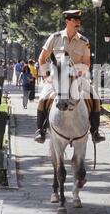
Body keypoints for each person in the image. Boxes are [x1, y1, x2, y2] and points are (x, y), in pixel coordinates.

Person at [34, 9, 105, 144]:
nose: (78, 22)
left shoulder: (84, 41)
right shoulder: (55, 38)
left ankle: (95, 131)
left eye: (79, 20)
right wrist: (46, 76)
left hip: (77, 79)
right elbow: (42, 58)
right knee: (43, 98)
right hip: (57, 80)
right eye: (75, 20)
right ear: (67, 21)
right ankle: (40, 131)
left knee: (95, 97)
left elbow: (87, 62)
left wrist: (79, 73)